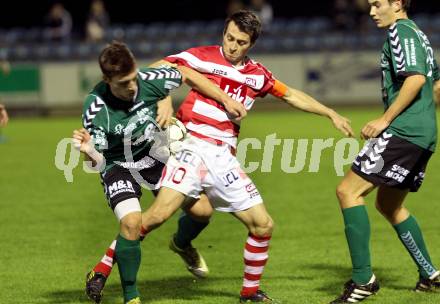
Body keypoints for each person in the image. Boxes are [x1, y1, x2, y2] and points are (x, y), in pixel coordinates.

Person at [137, 10, 352, 303]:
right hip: (186, 148)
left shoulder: (257, 75)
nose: (232, 46)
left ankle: (233, 281)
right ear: (223, 33)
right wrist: (163, 98)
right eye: (229, 37)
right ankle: (108, 269)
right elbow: (153, 72)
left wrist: (330, 113)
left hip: (222, 156)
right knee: (169, 215)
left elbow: (290, 95)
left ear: (251, 44)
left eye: (241, 41)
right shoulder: (200, 56)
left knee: (212, 215)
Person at [73, 41, 246, 304]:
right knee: (131, 222)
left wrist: (224, 98)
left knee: (202, 211)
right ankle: (132, 297)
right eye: (123, 83)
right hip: (117, 165)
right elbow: (95, 163)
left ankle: (181, 244)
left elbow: (185, 73)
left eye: (133, 79)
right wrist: (87, 150)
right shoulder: (96, 107)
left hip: (153, 156)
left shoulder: (147, 79)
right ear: (107, 80)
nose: (132, 87)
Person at [330, 0, 440, 303]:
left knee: (347, 192)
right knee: (389, 205)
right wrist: (426, 121)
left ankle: (363, 280)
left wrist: (385, 119)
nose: (371, 11)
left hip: (404, 131)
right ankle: (430, 275)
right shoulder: (419, 34)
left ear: (397, 3)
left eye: (378, 4)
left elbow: (417, 79)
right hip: (422, 133)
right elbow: (437, 85)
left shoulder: (399, 32)